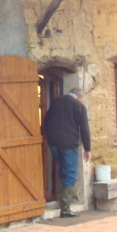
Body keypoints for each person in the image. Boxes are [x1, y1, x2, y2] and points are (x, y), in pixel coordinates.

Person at [43, 87, 91, 218]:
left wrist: (45, 137)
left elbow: (46, 120)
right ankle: (65, 208)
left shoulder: (55, 102)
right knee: (70, 173)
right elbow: (85, 129)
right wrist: (87, 148)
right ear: (79, 96)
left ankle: (61, 200)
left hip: (53, 143)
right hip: (69, 144)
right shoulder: (79, 106)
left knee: (64, 170)